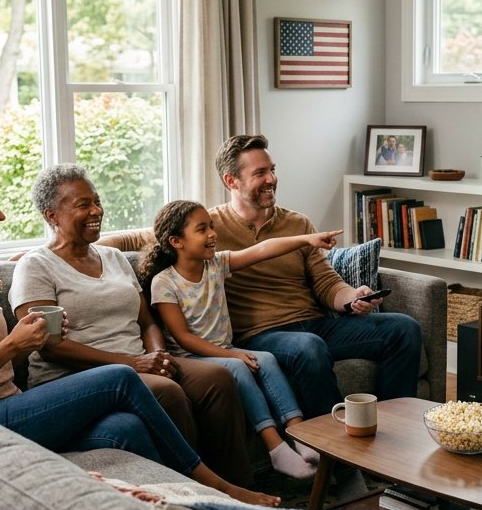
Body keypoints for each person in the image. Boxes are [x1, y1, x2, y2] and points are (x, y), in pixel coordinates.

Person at [0, 161, 277, 506]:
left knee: (130, 428)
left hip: (14, 401)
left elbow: (9, 360)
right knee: (125, 377)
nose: (1, 215)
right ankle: (216, 490)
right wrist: (13, 345)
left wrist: (28, 341)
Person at [9, 164, 255, 488]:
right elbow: (48, 345)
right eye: (83, 204)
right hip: (78, 376)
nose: (96, 210)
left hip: (139, 362)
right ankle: (191, 493)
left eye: (97, 201)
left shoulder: (113, 258)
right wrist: (136, 364)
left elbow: (146, 321)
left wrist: (158, 354)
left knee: (218, 378)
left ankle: (239, 485)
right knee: (166, 392)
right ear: (51, 214)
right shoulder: (36, 265)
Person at [209, 135, 423, 419]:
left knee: (404, 329)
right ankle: (336, 453)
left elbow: (326, 282)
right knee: (308, 347)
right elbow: (158, 236)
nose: (271, 179)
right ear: (231, 181)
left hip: (314, 326)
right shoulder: (210, 228)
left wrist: (352, 297)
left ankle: (393, 428)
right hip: (259, 336)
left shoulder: (297, 223)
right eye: (259, 173)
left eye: (272, 169)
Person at [138, 200, 342, 479]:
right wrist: (233, 355)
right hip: (192, 358)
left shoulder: (216, 264)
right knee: (238, 368)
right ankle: (276, 448)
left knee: (267, 360)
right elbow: (184, 338)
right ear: (177, 241)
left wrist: (307, 239)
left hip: (224, 349)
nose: (212, 233)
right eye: (202, 229)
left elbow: (262, 250)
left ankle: (300, 435)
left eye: (211, 226)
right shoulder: (164, 282)